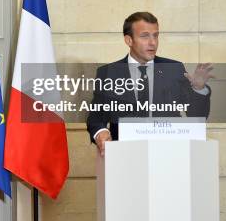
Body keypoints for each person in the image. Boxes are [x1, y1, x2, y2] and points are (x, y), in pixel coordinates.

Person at [86, 12, 213, 156]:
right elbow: (96, 116)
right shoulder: (108, 73)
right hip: (124, 156)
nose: (153, 42)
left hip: (168, 154)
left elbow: (196, 115)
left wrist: (198, 89)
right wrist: (100, 132)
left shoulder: (173, 69)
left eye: (156, 35)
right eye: (145, 36)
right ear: (129, 40)